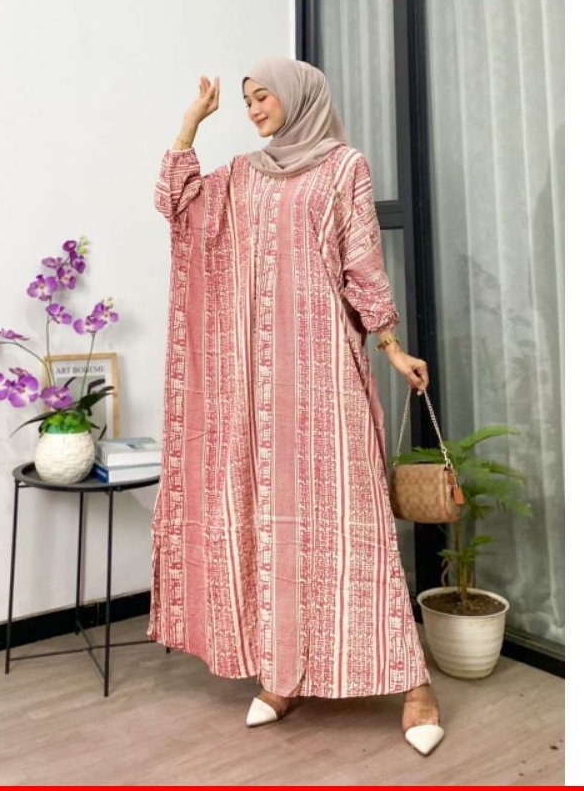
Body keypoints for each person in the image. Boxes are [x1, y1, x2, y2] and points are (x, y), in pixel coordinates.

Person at [150, 58, 444, 757]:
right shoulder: (241, 177)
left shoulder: (343, 167)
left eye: (264, 97)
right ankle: (283, 676)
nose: (254, 109)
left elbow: (362, 263)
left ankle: (414, 685)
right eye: (248, 100)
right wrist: (191, 125)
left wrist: (391, 345)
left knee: (349, 524)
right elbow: (176, 204)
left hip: (322, 374)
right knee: (271, 524)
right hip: (254, 385)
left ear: (298, 97)